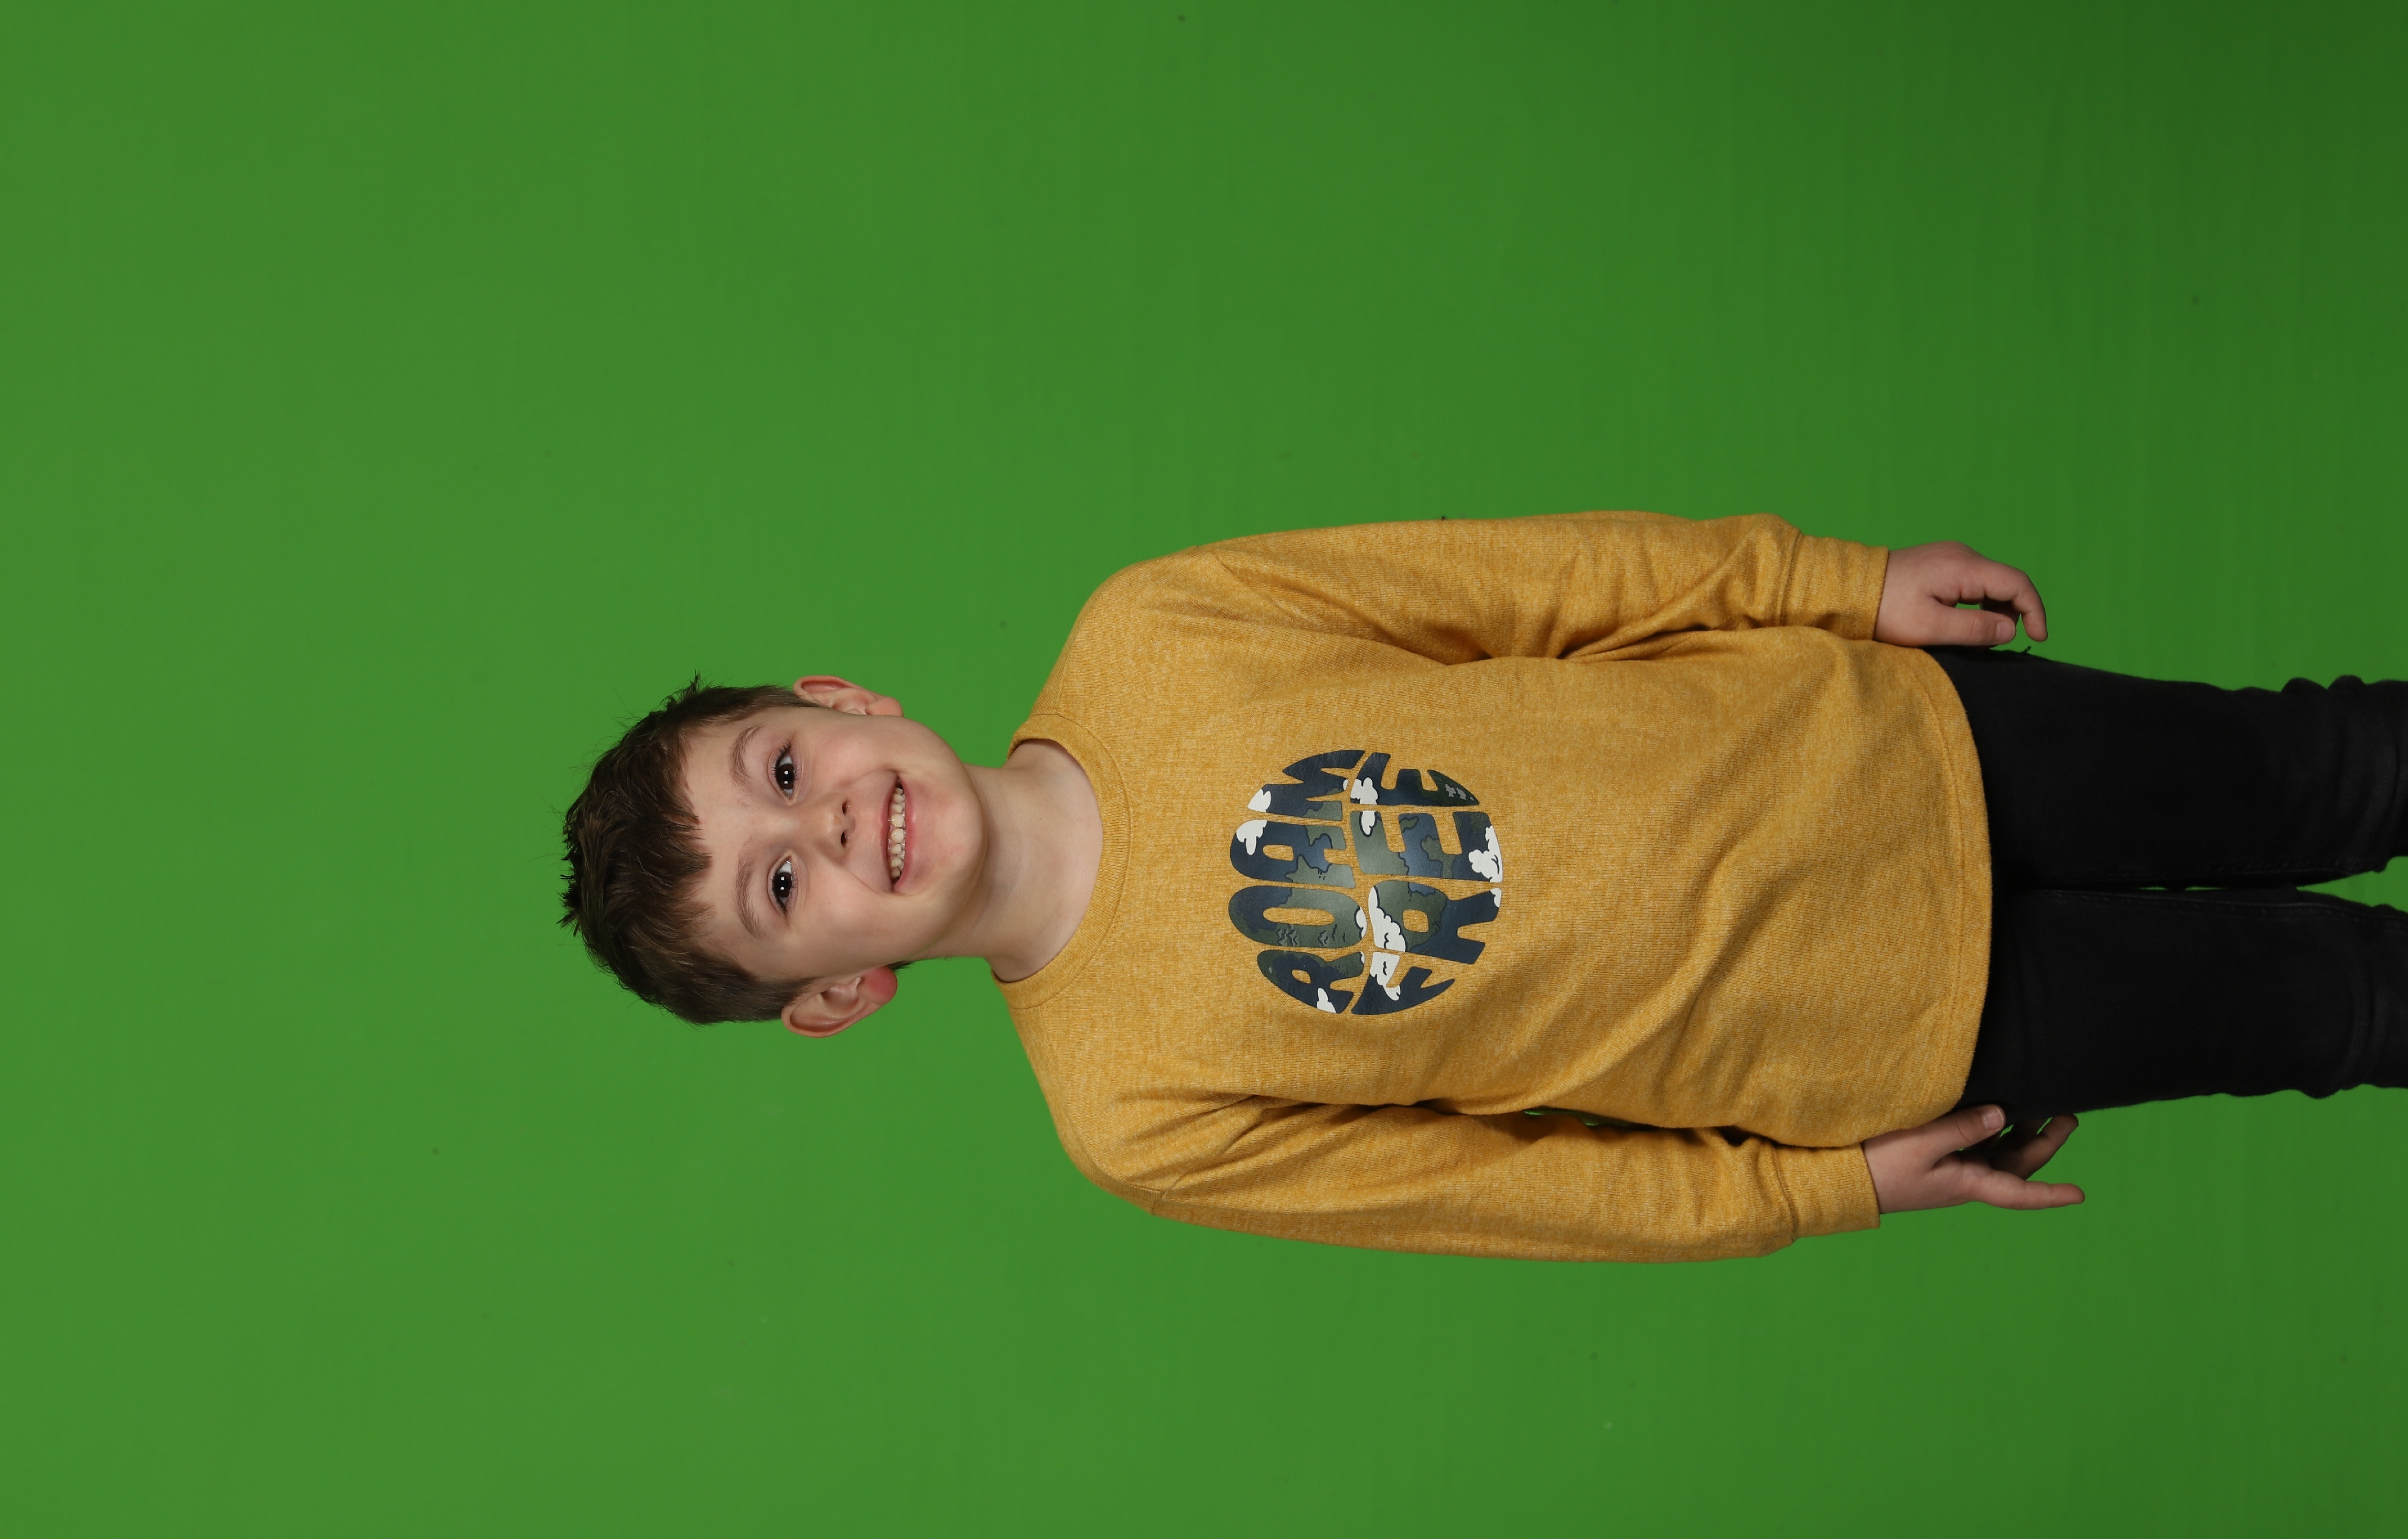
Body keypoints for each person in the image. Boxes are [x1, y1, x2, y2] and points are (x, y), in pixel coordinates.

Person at [558, 512, 2408, 1261]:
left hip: (1892, 735)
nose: (827, 829)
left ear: (838, 702)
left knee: (2324, 766)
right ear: (837, 995)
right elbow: (1520, 1195)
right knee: (2337, 1005)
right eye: (782, 894)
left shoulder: (1152, 631)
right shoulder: (1129, 1112)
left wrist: (1830, 584)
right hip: (1898, 1029)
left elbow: (1529, 583)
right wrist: (1822, 1189)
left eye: (781, 775)